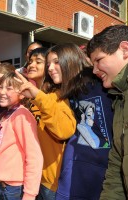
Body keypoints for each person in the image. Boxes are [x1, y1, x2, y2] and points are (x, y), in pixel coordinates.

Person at [87, 25, 128, 199]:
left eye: (98, 60)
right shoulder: (120, 98)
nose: (94, 70)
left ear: (124, 49)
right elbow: (117, 164)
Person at [48, 43, 113, 200]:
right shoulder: (67, 95)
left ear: (72, 59)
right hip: (76, 175)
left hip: (107, 176)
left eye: (56, 62)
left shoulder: (101, 84)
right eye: (48, 64)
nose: (50, 68)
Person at [15, 47, 76, 200]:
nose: (31, 65)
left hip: (51, 180)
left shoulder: (59, 95)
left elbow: (64, 131)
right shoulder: (31, 96)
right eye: (30, 62)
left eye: (38, 61)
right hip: (34, 175)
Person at [0, 72, 43, 200]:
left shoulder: (22, 116)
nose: (2, 92)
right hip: (1, 184)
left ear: (21, 93)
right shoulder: (6, 114)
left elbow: (34, 156)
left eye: (8, 88)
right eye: (0, 87)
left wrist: (29, 194)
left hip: (14, 188)